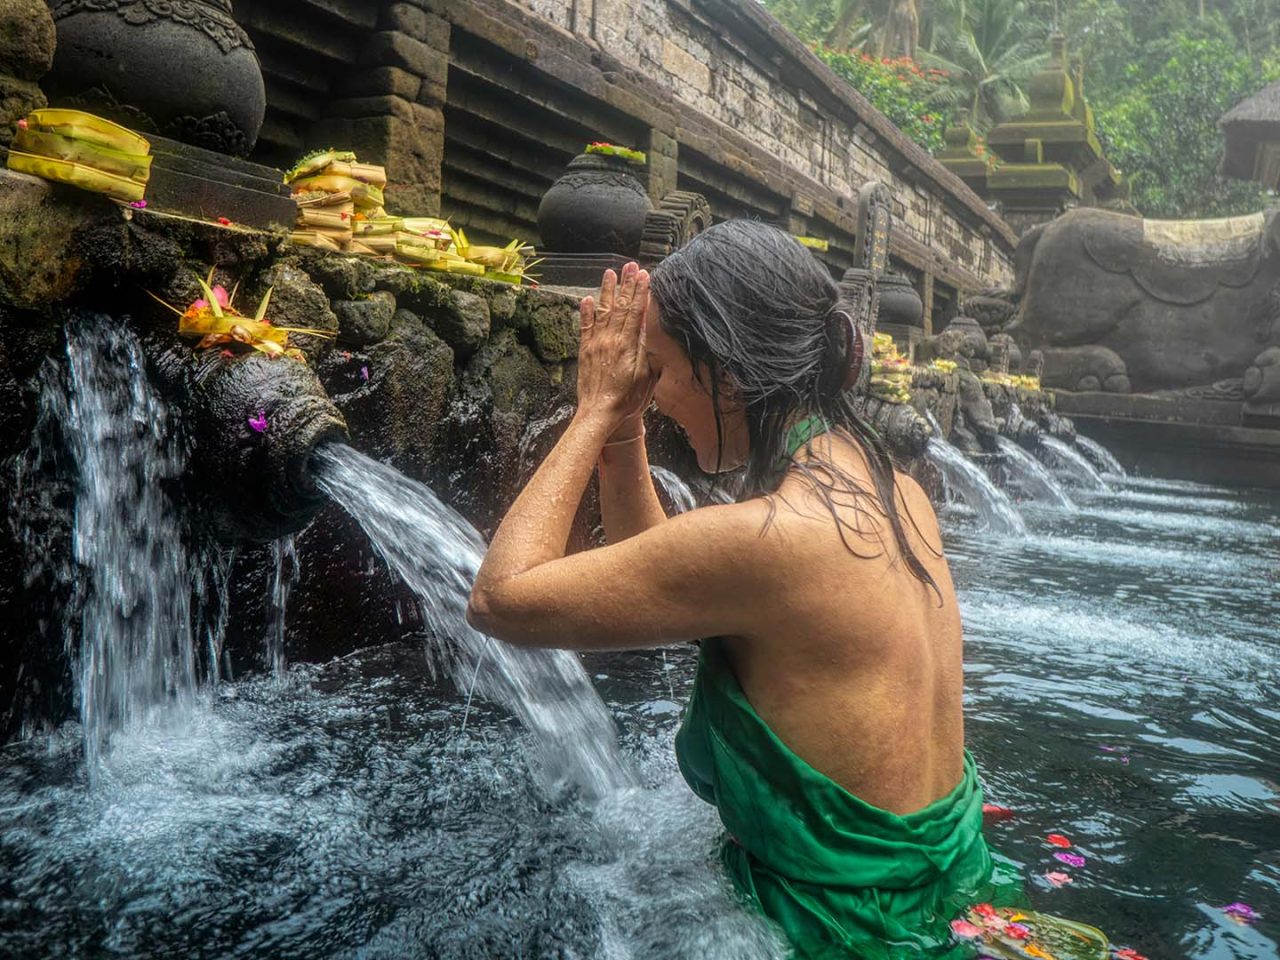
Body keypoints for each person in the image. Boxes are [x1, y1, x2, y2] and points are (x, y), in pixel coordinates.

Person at [467, 221, 994, 958]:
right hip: (953, 898)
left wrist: (591, 410)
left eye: (658, 368)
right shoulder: (900, 494)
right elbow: (660, 571)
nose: (649, 392)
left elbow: (500, 597)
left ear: (729, 376)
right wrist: (623, 434)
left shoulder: (774, 538)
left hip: (840, 935)